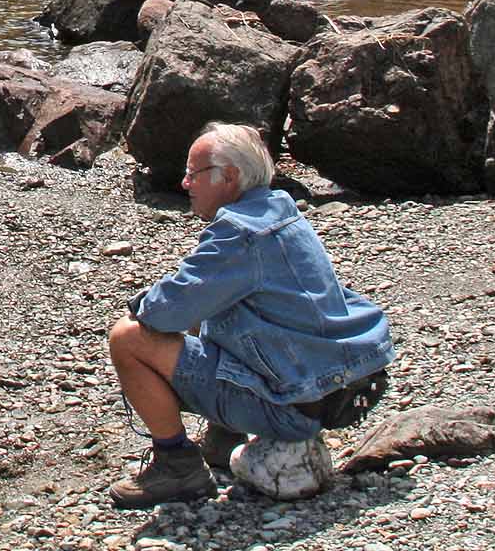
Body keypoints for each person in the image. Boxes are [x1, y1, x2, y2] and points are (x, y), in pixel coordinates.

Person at [104, 122, 394, 508]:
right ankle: (225, 439)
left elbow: (166, 312)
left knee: (128, 338)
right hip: (330, 386)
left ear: (230, 177)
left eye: (194, 174)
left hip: (294, 406)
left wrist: (141, 304)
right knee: (212, 306)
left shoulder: (240, 233)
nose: (185, 184)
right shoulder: (278, 209)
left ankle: (177, 464)